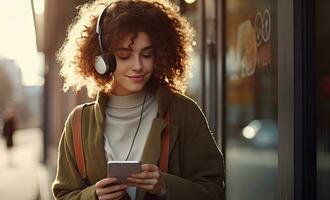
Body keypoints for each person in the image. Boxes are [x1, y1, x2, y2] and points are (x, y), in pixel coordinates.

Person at [52, 0, 224, 199]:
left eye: (147, 54)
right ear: (103, 60)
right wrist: (94, 196)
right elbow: (63, 195)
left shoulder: (184, 112)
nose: (138, 66)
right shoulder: (79, 122)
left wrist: (166, 186)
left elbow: (214, 191)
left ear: (159, 55)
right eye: (125, 55)